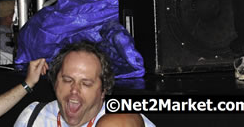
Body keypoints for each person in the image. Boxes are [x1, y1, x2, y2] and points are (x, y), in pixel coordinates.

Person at [13, 41, 153, 127]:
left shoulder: (123, 121)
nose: (74, 90)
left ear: (103, 90)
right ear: (55, 82)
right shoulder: (33, 117)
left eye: (86, 83)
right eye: (67, 80)